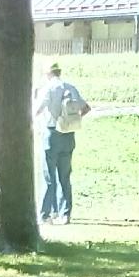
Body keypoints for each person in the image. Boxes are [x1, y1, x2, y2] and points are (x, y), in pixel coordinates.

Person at [32, 62, 90, 225]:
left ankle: (46, 214)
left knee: (48, 176)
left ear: (47, 74)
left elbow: (37, 110)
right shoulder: (70, 88)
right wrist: (71, 120)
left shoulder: (47, 89)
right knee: (65, 176)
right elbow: (86, 108)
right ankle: (65, 213)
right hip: (68, 134)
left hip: (51, 133)